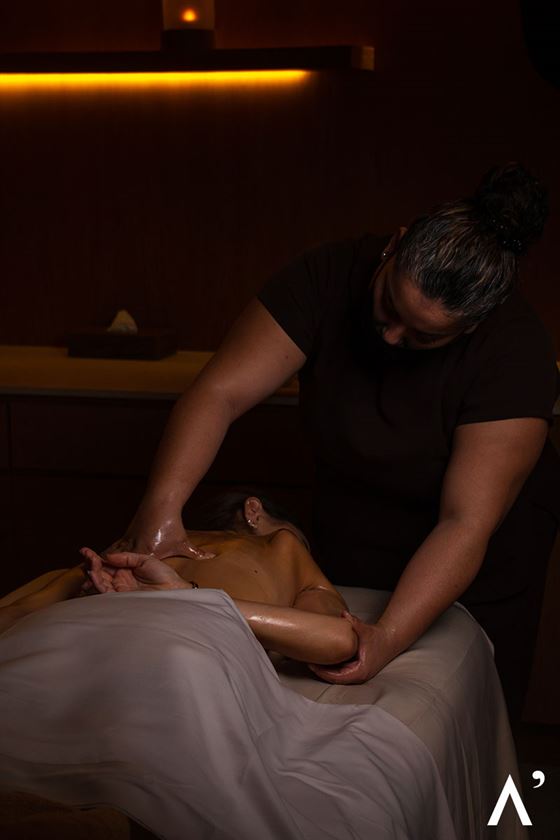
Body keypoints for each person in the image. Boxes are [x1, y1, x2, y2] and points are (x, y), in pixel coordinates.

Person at [105, 163, 560, 721]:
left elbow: (463, 522)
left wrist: (388, 637)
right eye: (388, 305)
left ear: (470, 327)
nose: (390, 336)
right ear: (394, 247)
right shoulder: (326, 275)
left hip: (471, 550)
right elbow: (219, 394)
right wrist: (160, 511)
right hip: (357, 512)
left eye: (423, 337)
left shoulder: (516, 354)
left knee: (467, 705)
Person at [0, 492, 358, 667]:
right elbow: (338, 639)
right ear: (255, 510)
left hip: (66, 643)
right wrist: (187, 597)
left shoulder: (133, 545)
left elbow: (16, 613)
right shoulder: (283, 545)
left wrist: (184, 594)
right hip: (178, 657)